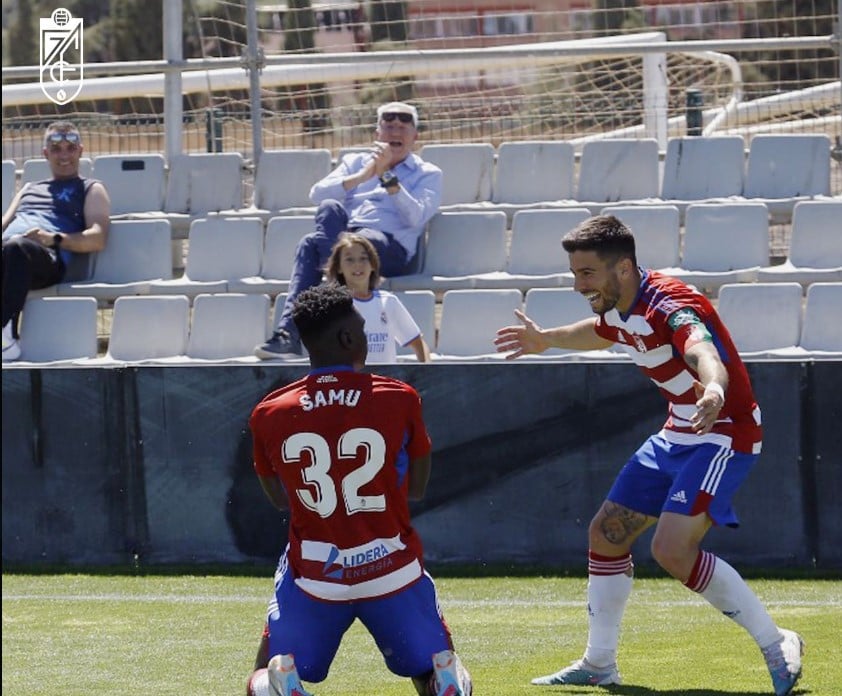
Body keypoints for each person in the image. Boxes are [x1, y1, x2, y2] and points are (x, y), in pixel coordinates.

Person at [494, 215, 804, 695]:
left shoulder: (671, 304)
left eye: (586, 273)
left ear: (622, 268)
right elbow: (603, 331)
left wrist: (715, 390)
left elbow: (703, 350)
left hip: (723, 430)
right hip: (679, 431)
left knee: (671, 549)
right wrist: (547, 340)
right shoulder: (620, 303)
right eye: (575, 273)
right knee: (607, 533)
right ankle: (598, 664)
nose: (578, 285)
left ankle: (777, 641)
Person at [246, 284, 471, 696]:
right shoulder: (398, 398)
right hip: (391, 567)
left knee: (265, 671)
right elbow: (416, 489)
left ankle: (276, 683)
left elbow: (280, 498)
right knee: (433, 666)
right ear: (348, 338)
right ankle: (443, 681)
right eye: (362, 330)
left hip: (317, 573)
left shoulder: (269, 411)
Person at [255, 101, 442, 359]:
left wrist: (386, 175)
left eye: (402, 127)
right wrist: (364, 176)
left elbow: (416, 217)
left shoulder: (428, 174)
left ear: (415, 136)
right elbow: (316, 194)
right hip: (348, 242)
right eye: (388, 126)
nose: (395, 133)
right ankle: (289, 335)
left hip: (389, 248)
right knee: (323, 219)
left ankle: (332, 281)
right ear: (377, 134)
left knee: (344, 241)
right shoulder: (356, 162)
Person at [2, 121, 110, 362]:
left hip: (45, 258)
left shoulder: (91, 188)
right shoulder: (29, 188)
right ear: (45, 154)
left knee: (16, 247)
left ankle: (5, 337)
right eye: (56, 148)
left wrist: (53, 239)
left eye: (70, 148)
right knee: (11, 246)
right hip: (9, 250)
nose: (64, 155)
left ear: (80, 151)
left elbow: (98, 237)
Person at [325, 232, 431, 363]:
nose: (357, 264)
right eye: (349, 259)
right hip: (351, 382)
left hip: (384, 382)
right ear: (339, 267)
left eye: (363, 258)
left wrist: (426, 374)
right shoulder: (333, 306)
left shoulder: (389, 302)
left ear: (373, 265)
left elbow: (418, 343)